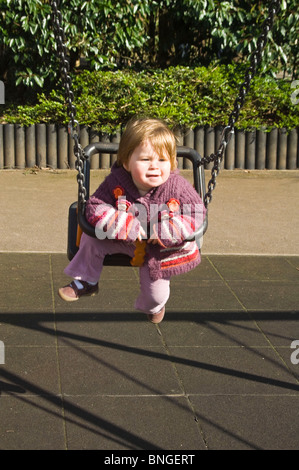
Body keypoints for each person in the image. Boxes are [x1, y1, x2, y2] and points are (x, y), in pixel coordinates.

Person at [58, 117, 206, 323]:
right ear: (126, 162)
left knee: (156, 296)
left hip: (160, 250)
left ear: (172, 162)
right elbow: (94, 206)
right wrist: (122, 223)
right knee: (92, 239)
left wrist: (169, 230)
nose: (154, 166)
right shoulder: (116, 182)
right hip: (125, 239)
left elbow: (197, 212)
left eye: (162, 160)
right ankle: (87, 281)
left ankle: (154, 307)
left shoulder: (178, 186)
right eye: (146, 160)